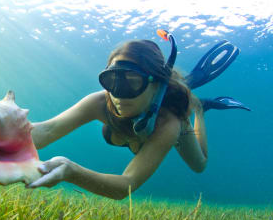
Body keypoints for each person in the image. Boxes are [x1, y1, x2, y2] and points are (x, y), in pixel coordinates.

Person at [26, 30, 249, 200]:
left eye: (132, 82)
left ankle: (200, 108)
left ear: (155, 85)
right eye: (112, 81)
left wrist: (71, 171)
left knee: (199, 165)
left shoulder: (169, 123)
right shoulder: (99, 101)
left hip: (166, 117)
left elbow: (127, 184)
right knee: (121, 133)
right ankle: (180, 88)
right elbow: (46, 131)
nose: (119, 94)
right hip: (132, 130)